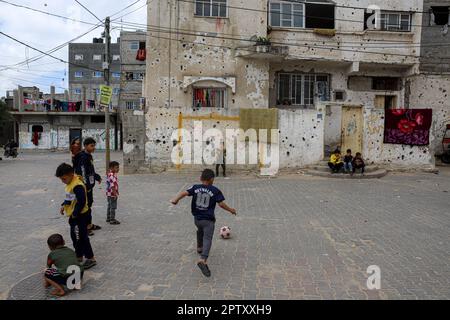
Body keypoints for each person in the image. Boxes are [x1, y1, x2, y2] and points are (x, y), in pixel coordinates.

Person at [170, 169, 237, 277]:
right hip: (208, 221)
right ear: (212, 180)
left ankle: (199, 247)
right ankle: (203, 260)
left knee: (200, 230)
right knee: (207, 238)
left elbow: (184, 193)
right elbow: (221, 204)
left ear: (201, 179)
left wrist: (175, 200)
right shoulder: (215, 190)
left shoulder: (195, 187)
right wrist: (231, 210)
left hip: (197, 219)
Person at [55, 163, 97, 270]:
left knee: (81, 237)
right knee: (75, 237)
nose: (62, 181)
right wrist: (63, 205)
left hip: (80, 216)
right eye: (61, 179)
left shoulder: (77, 185)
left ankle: (91, 258)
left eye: (63, 179)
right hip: (74, 217)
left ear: (70, 174)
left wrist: (75, 214)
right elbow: (70, 197)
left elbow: (82, 201)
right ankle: (79, 256)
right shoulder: (70, 183)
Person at [74, 138, 102, 235]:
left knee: (89, 204)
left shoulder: (88, 156)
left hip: (89, 185)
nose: (94, 148)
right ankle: (84, 227)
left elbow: (90, 170)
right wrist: (85, 186)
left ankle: (89, 225)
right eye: (91, 146)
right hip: (85, 186)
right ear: (85, 146)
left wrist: (96, 177)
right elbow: (82, 172)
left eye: (94, 145)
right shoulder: (82, 157)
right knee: (84, 206)